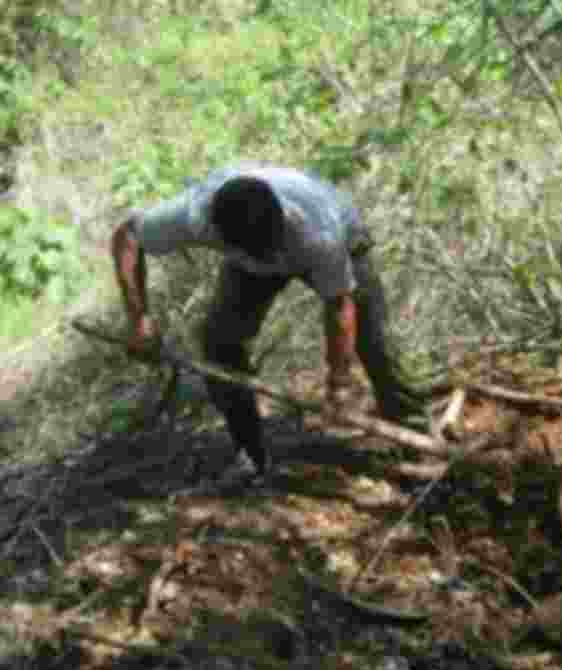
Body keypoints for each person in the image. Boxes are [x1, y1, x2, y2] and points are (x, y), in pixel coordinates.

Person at [111, 162, 422, 475]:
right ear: (220, 236)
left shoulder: (319, 234)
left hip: (339, 240)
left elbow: (339, 305)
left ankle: (417, 440)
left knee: (375, 343)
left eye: (269, 249)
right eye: (256, 252)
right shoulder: (195, 215)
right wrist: (139, 319)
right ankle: (250, 454)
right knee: (220, 344)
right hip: (248, 263)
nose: (270, 259)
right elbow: (128, 237)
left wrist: (339, 379)